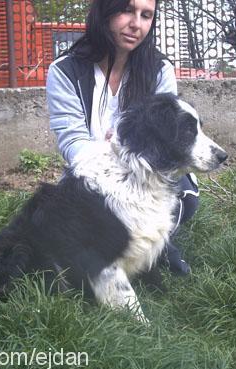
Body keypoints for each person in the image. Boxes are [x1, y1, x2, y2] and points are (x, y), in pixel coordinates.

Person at [46, 0, 198, 275]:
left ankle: (150, 247)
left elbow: (168, 140)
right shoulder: (65, 71)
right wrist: (117, 145)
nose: (136, 24)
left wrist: (122, 145)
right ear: (105, 11)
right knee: (96, 211)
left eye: (146, 15)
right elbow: (73, 142)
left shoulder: (159, 69)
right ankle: (123, 252)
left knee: (186, 199)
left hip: (145, 172)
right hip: (96, 175)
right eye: (127, 10)